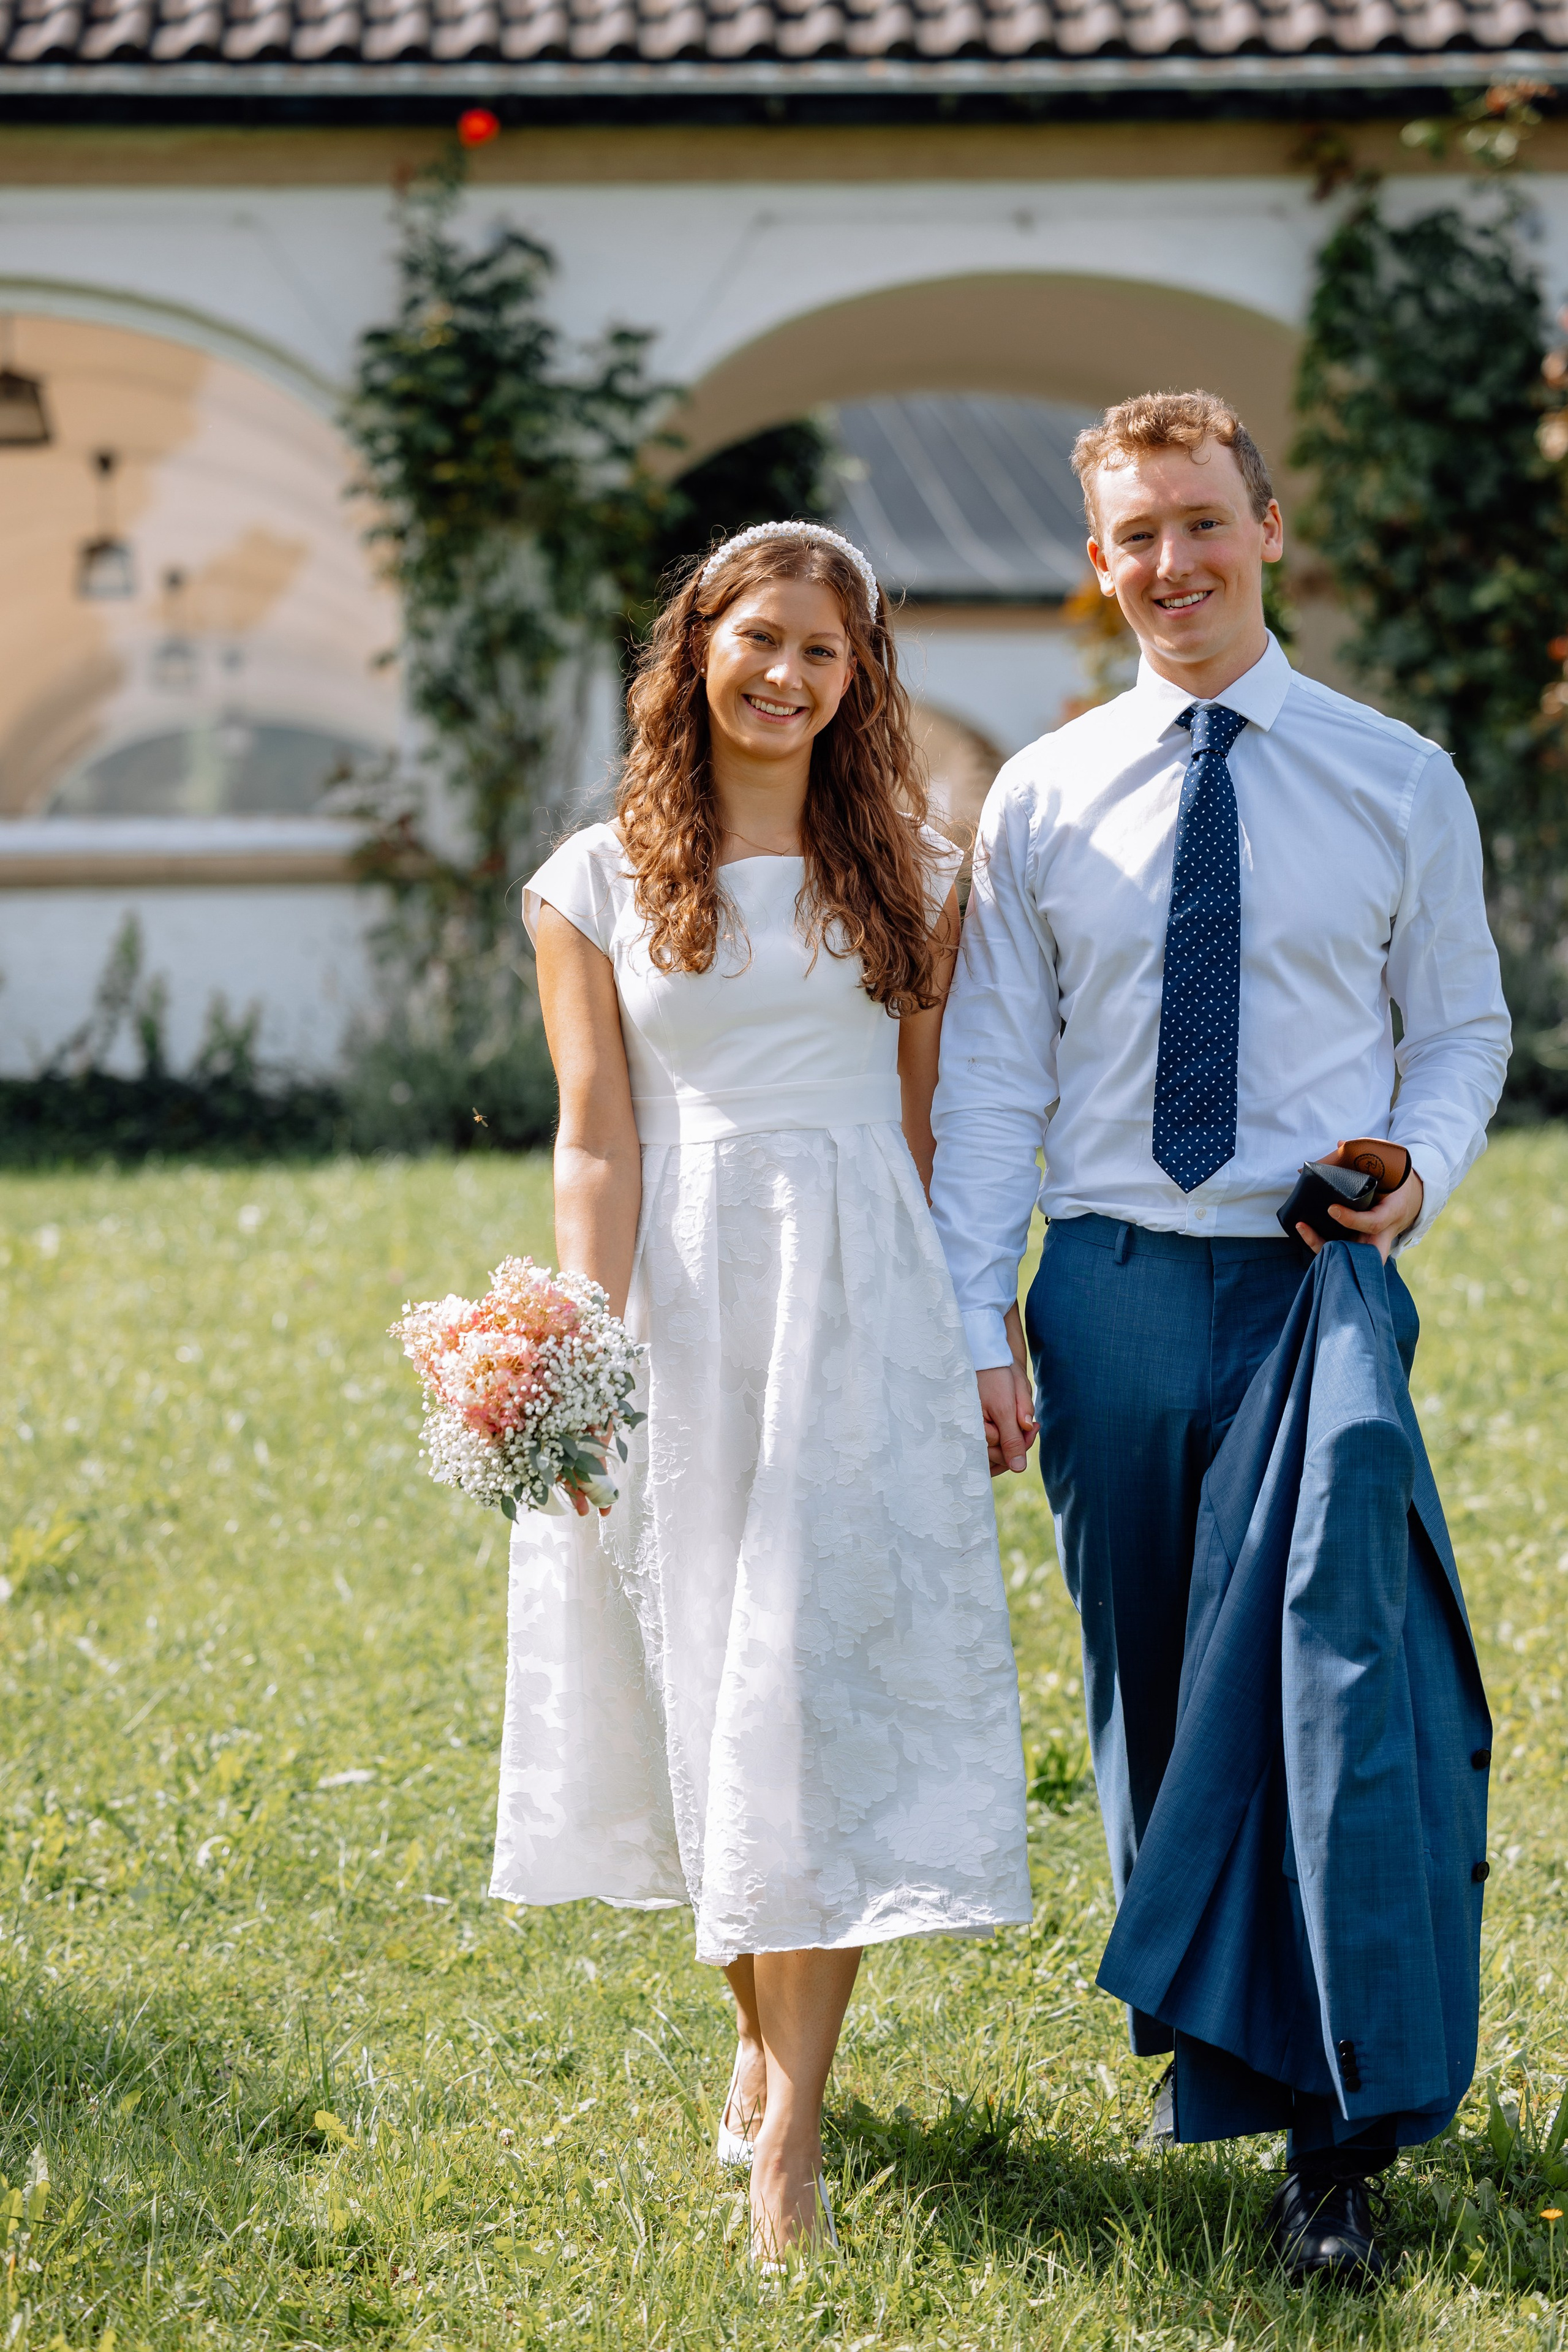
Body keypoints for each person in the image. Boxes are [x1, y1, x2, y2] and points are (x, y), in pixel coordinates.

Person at [927, 390, 1511, 2280]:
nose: (1168, 563)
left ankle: (1340, 2144)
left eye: (1199, 522)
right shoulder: (1044, 791)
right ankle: (1232, 2052)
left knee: (1342, 1693)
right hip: (1105, 1290)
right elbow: (1001, 1075)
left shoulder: (1395, 776)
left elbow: (1464, 1033)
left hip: (1311, 1284)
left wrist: (1409, 1169)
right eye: (1131, 538)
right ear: (1096, 568)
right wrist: (978, 1325)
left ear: (1267, 529)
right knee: (1166, 1700)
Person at [491, 520, 1032, 2264]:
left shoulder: (919, 877)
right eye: (761, 639)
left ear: (859, 674)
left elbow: (943, 1132)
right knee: (713, 1685)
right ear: (699, 648)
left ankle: (791, 2138)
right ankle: (757, 2029)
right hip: (683, 1301)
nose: (788, 674)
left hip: (860, 1292)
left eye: (826, 648)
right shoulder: (593, 880)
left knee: (819, 1682)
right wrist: (579, 1345)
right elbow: (595, 1133)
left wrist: (981, 1332)